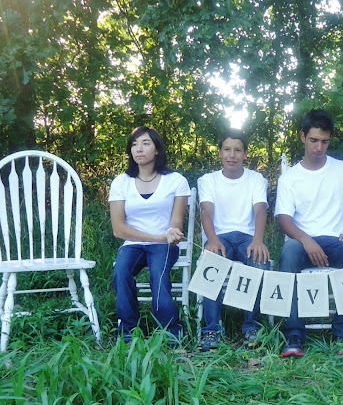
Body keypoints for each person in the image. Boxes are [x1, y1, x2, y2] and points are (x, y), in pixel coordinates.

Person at [275, 109, 343, 357]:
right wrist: (305, 239)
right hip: (302, 241)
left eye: (325, 142)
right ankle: (294, 334)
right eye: (314, 140)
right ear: (302, 137)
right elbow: (284, 218)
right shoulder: (290, 178)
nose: (319, 148)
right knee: (288, 252)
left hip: (337, 240)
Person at [110, 126, 191, 344]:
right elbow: (119, 229)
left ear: (157, 150)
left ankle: (170, 330)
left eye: (146, 143)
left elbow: (176, 220)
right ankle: (129, 330)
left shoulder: (176, 180)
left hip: (165, 245)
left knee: (158, 273)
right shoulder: (121, 182)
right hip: (133, 244)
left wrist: (171, 232)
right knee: (121, 272)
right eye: (134, 144)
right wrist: (157, 237)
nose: (139, 149)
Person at [197, 128, 271, 351]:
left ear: (246, 154)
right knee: (212, 262)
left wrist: (258, 240)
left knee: (259, 261)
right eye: (227, 149)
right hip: (219, 237)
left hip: (248, 237)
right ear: (219, 152)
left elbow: (260, 210)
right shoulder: (208, 180)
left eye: (238, 150)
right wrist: (212, 240)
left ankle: (252, 327)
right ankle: (212, 329)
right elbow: (206, 212)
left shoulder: (256, 179)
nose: (232, 155)